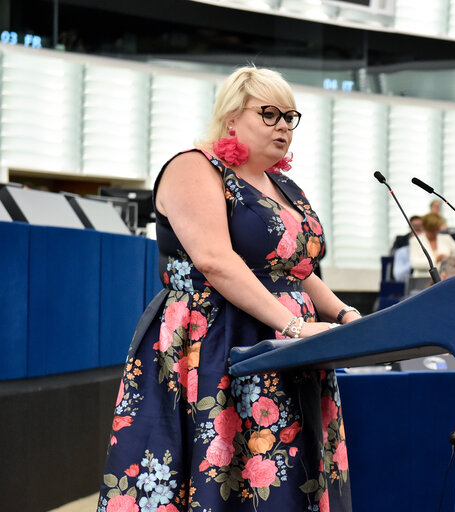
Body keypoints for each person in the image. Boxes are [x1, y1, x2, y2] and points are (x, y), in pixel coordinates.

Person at [98, 66, 356, 512]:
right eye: (270, 113)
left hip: (284, 345)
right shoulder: (194, 166)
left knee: (285, 481)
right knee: (218, 476)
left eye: (290, 117)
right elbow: (215, 262)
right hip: (216, 340)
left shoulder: (284, 186)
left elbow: (298, 270)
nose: (283, 127)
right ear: (232, 116)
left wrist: (346, 317)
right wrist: (294, 326)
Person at [409, 212, 455, 277]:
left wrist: (449, 259)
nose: (435, 232)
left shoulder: (446, 238)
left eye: (437, 228)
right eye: (432, 229)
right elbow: (414, 263)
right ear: (426, 227)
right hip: (422, 279)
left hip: (444, 278)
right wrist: (436, 259)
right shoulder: (415, 240)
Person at [392, 215, 423, 281]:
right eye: (414, 228)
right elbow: (399, 276)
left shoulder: (431, 249)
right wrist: (414, 262)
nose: (417, 233)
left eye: (419, 228)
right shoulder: (402, 251)